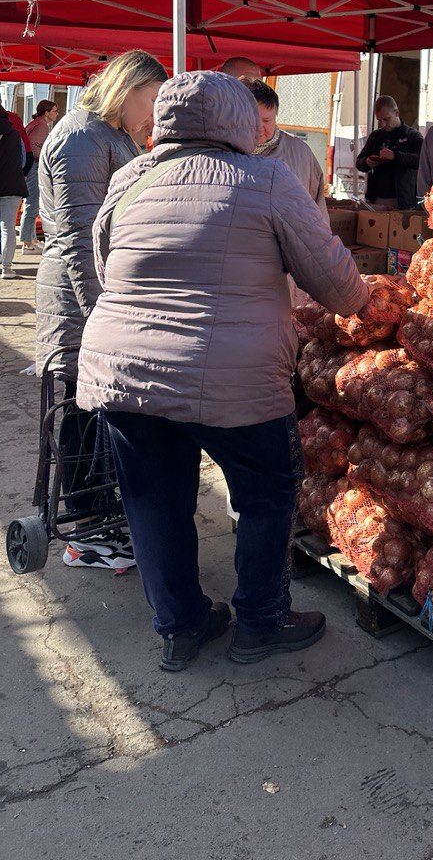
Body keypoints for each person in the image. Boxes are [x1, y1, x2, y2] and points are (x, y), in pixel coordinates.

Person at [76, 71, 368, 672]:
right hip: (238, 377)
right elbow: (338, 286)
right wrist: (367, 302)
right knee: (267, 492)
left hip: (125, 371)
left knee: (154, 500)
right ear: (240, 120)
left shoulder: (132, 177)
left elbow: (105, 265)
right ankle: (261, 622)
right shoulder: (266, 178)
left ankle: (181, 627)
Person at [36, 50, 167, 567]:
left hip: (104, 297)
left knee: (98, 412)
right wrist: (102, 314)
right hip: (77, 299)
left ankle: (103, 518)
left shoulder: (110, 134)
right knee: (78, 410)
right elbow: (76, 237)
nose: (154, 113)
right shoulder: (79, 136)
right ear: (127, 87)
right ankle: (87, 532)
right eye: (151, 99)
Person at [244, 79, 326, 213]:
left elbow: (317, 207)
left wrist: (323, 234)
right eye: (252, 119)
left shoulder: (300, 152)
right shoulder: (223, 151)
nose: (259, 128)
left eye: (267, 120)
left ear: (276, 116)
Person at [356, 96, 423, 210]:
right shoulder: (375, 136)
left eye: (386, 119)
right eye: (379, 120)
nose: (382, 124)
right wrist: (367, 162)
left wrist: (395, 156)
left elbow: (421, 161)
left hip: (402, 201)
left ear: (396, 113)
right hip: (375, 199)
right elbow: (358, 162)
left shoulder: (412, 136)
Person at [19, 99, 59, 252]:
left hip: (29, 167)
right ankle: (27, 243)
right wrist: (47, 158)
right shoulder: (42, 126)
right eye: (54, 111)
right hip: (34, 167)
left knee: (32, 203)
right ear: (46, 112)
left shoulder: (35, 123)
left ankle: (32, 239)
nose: (57, 113)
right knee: (32, 203)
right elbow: (35, 149)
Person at [0, 101, 27, 278]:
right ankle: (6, 268)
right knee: (7, 227)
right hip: (12, 184)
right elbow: (23, 161)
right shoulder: (16, 134)